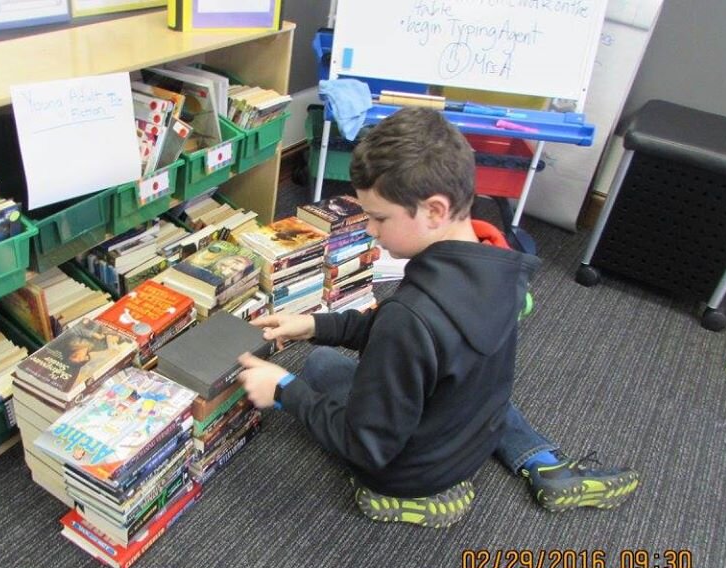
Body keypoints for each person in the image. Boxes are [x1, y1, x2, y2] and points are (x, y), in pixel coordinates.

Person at [237, 107, 639, 528]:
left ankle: (410, 497)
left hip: (411, 471)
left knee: (320, 368)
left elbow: (366, 444)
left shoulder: (410, 318)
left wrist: (284, 389)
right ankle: (543, 462)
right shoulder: (502, 264)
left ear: (433, 210)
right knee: (467, 379)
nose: (370, 230)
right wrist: (317, 325)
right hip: (472, 436)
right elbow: (407, 338)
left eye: (378, 218)